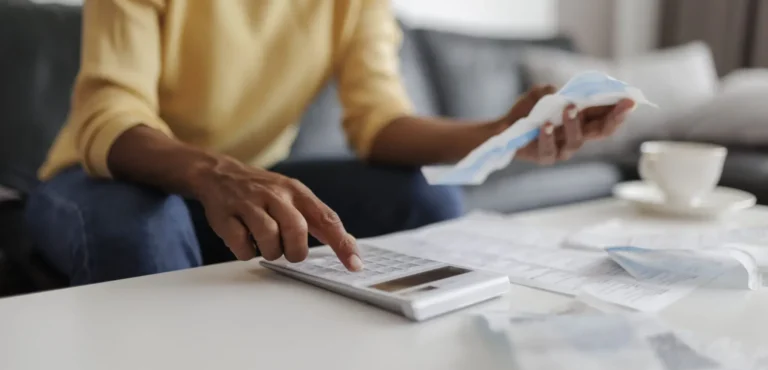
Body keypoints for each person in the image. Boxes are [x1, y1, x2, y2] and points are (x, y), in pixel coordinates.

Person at [25, 0, 634, 286]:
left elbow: (379, 122)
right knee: (142, 231)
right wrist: (214, 172)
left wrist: (500, 133)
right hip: (108, 175)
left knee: (427, 200)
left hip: (244, 183)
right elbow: (109, 113)